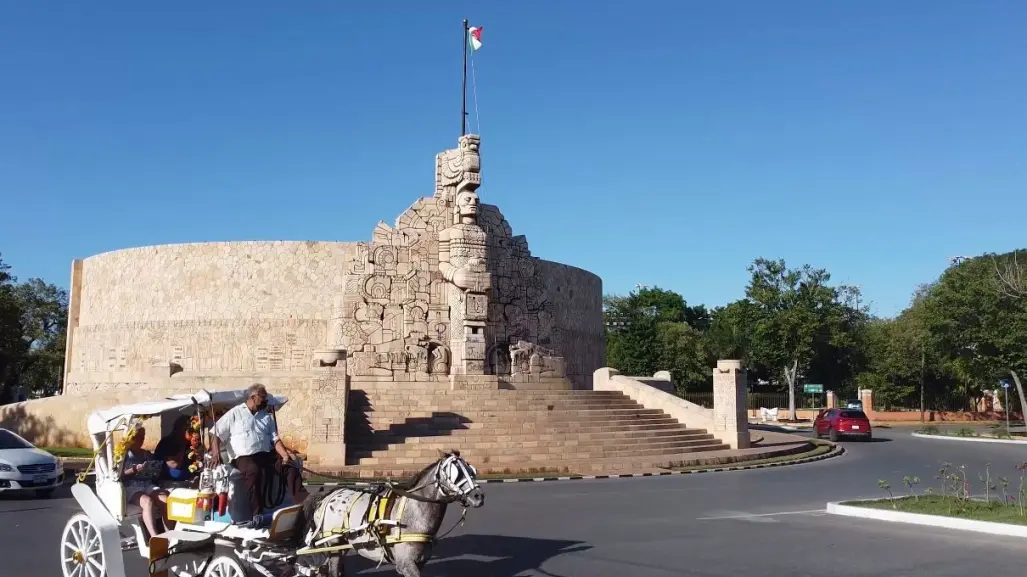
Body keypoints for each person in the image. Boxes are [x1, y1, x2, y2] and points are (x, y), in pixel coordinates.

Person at [210, 383, 309, 517]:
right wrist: (216, 454)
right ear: (253, 397)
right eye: (263, 397)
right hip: (243, 457)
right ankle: (257, 514)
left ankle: (305, 502)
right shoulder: (235, 413)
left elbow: (276, 440)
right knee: (253, 470)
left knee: (289, 466)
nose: (265, 400)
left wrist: (285, 456)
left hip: (266, 455)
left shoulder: (266, 417)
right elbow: (215, 434)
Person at [120, 424, 167, 540]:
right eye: (138, 437)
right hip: (131, 487)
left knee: (166, 499)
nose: (141, 440)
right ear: (131, 438)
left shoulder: (146, 454)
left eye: (143, 437)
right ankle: (154, 537)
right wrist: (134, 469)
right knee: (148, 502)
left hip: (146, 484)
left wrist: (154, 470)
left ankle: (169, 534)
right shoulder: (123, 455)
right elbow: (118, 476)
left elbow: (154, 473)